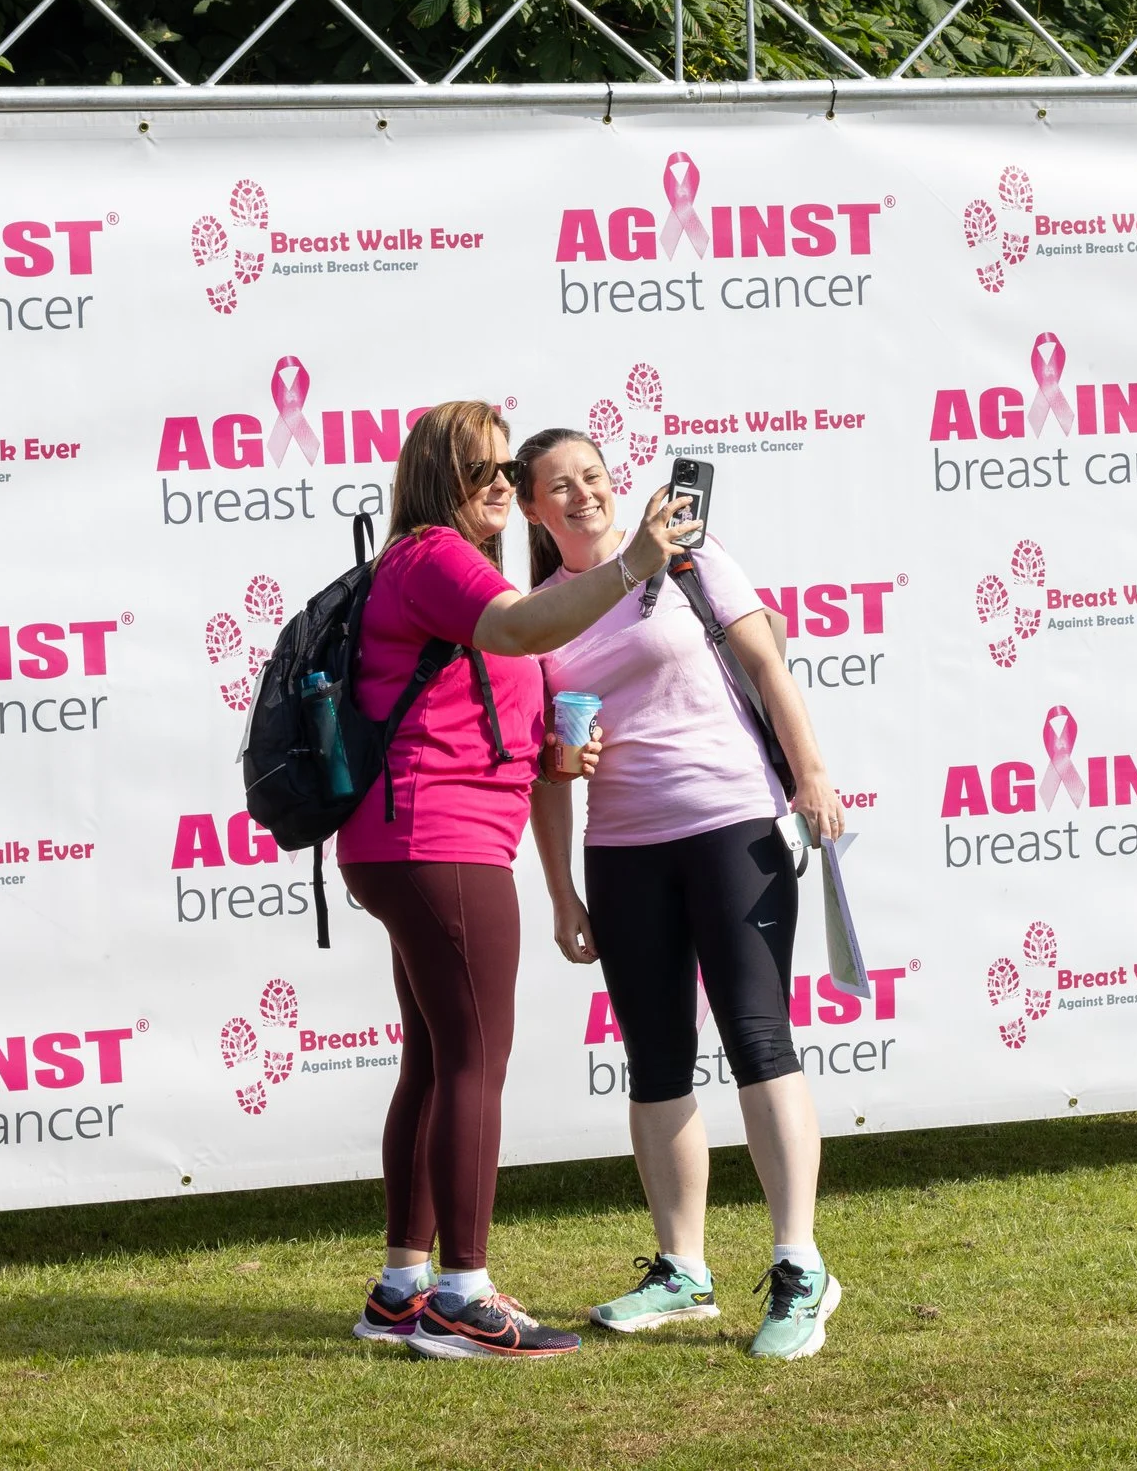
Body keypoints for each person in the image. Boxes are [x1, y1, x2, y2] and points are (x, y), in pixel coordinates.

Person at [340, 401, 689, 1361]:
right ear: (436, 478)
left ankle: (403, 1284)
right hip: (439, 842)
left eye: (506, 466)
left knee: (434, 1058)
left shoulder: (424, 565)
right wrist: (633, 564)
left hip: (414, 840)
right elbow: (523, 622)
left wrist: (553, 755)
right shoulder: (436, 557)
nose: (502, 480)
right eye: (482, 467)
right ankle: (464, 1294)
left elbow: (484, 685)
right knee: (471, 1064)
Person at [521, 427, 850, 1362]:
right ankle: (683, 1272)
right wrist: (559, 891)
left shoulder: (696, 562)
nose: (582, 494)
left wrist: (813, 775)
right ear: (537, 510)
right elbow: (552, 772)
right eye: (559, 486)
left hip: (731, 825)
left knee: (757, 1039)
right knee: (656, 1059)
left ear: (614, 483)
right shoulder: (541, 614)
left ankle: (800, 1266)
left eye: (592, 476)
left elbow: (766, 666)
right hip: (621, 848)